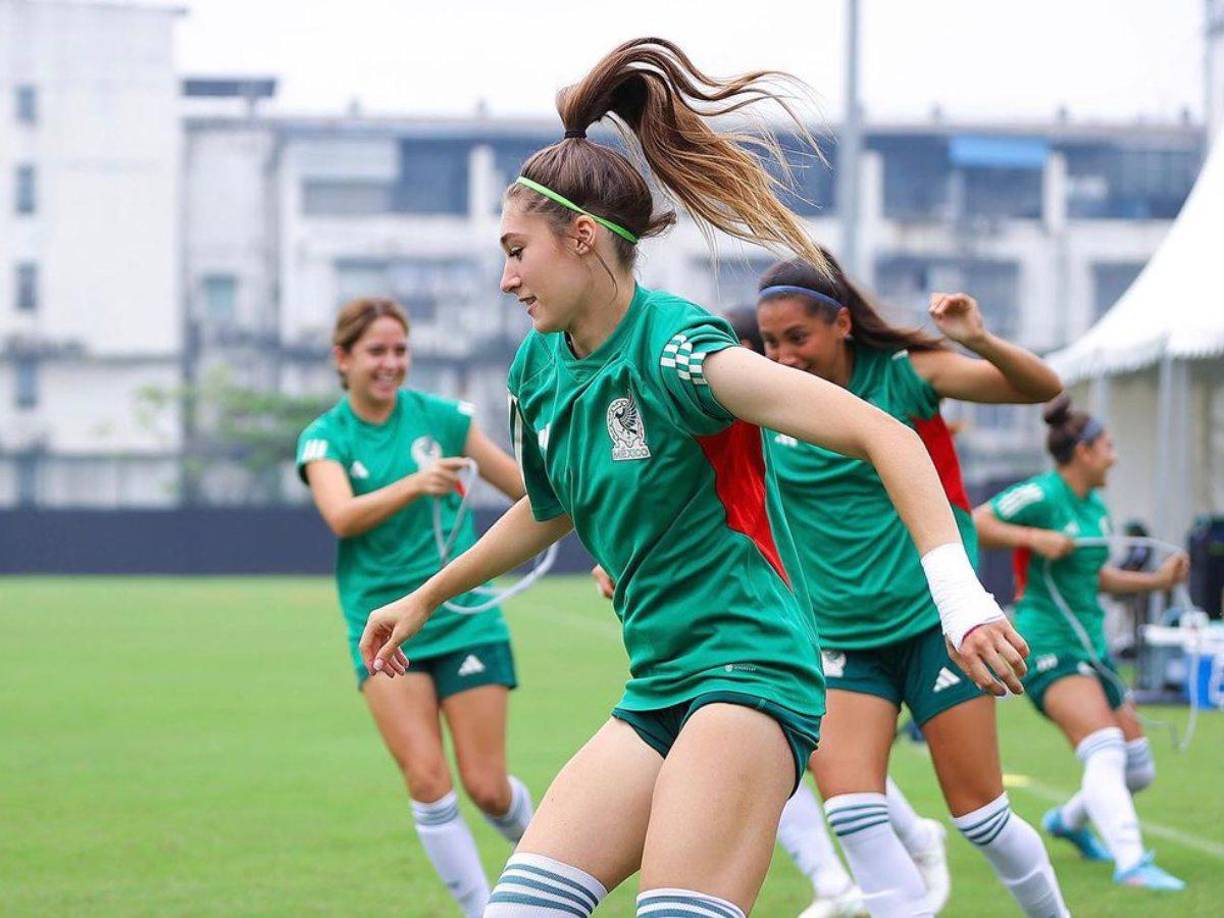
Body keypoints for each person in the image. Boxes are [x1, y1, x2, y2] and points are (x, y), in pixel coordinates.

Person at [358, 38, 1026, 918]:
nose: (506, 275)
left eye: (519, 249)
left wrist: (962, 597)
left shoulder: (681, 352)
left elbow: (883, 433)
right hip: (659, 686)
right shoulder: (539, 369)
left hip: (748, 673)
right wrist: (427, 597)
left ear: (584, 238)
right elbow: (548, 507)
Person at [755, 253, 1069, 917]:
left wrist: (978, 340)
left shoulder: (902, 379)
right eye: (770, 342)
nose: (782, 357)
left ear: (842, 324)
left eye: (797, 339)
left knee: (982, 820)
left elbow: (1040, 387)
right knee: (854, 817)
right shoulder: (763, 401)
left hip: (938, 632)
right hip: (841, 643)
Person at [296, 297, 533, 916]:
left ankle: (550, 866)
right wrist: (414, 484)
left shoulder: (444, 420)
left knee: (487, 789)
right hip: (383, 629)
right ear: (342, 359)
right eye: (376, 351)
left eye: (400, 350)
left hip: (464, 618)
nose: (391, 363)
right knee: (428, 781)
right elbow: (342, 517)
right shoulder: (324, 439)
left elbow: (530, 494)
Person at [974, 394, 1191, 892]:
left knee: (1138, 770)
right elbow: (977, 522)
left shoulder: (1097, 508)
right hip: (1048, 645)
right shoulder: (1043, 494)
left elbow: (1096, 579)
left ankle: (1067, 822)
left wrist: (1156, 583)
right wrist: (1033, 537)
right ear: (1085, 452)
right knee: (1106, 748)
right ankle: (1132, 863)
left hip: (1093, 647)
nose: (1115, 456)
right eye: (1109, 446)